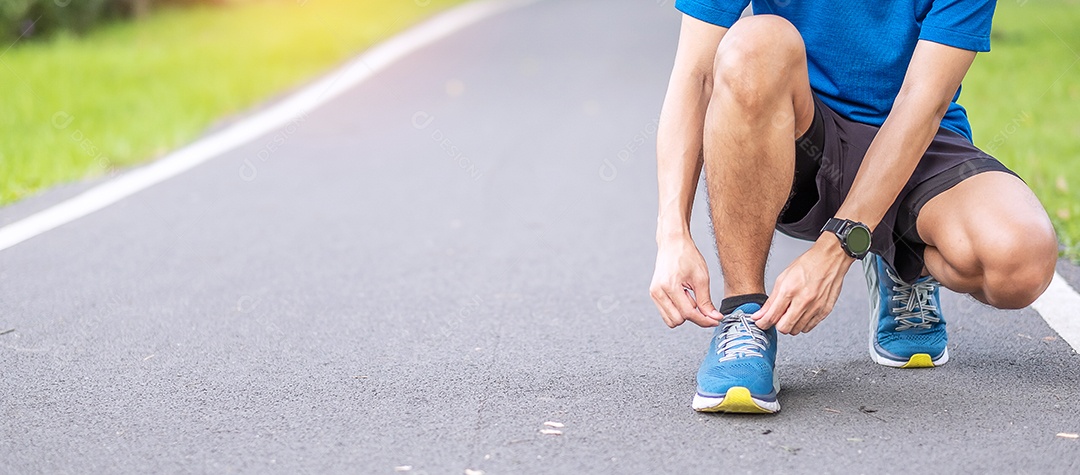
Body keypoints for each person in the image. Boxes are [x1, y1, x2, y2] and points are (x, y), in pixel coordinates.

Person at [649, 0, 1058, 414]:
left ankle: (901, 258)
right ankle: (744, 312)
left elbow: (924, 100)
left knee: (1020, 262)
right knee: (753, 43)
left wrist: (841, 245)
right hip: (801, 133)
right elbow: (695, 75)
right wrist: (672, 233)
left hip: (914, 138)